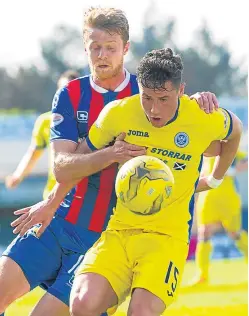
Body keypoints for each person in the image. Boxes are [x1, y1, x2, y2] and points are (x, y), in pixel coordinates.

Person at [0, 7, 220, 316]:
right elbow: (62, 166)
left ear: (126, 49)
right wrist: (108, 155)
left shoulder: (147, 95)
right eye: (95, 47)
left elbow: (203, 145)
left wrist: (201, 106)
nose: (102, 55)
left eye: (111, 48)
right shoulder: (71, 93)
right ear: (85, 47)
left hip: (107, 238)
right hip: (58, 221)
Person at [69, 48, 243, 316]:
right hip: (120, 231)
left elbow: (236, 130)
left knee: (141, 312)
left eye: (163, 98)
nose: (153, 109)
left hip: (167, 238)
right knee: (82, 304)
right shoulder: (118, 114)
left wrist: (216, 179)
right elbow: (78, 161)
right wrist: (111, 154)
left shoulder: (200, 115)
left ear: (181, 90)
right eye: (147, 97)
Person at [5, 70, 79, 199]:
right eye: (63, 90)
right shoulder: (46, 121)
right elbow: (34, 153)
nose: (67, 95)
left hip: (83, 194)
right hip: (53, 194)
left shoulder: (92, 120)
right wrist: (18, 175)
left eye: (72, 90)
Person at [192, 150, 248, 285]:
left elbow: (246, 162)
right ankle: (202, 276)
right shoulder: (205, 145)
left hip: (228, 198)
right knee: (203, 233)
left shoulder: (232, 147)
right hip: (208, 197)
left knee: (235, 234)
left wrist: (233, 171)